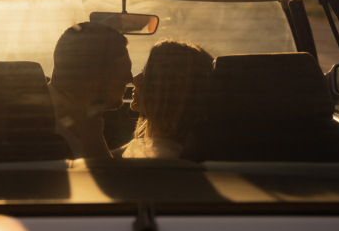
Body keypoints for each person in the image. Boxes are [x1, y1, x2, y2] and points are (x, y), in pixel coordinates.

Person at [48, 22, 133, 159]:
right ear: (92, 87)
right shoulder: (71, 140)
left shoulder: (51, 113)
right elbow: (108, 180)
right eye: (124, 78)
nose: (132, 80)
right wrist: (94, 137)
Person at [122, 40, 214, 159]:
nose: (134, 79)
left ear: (169, 89)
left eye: (146, 74)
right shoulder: (169, 147)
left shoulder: (161, 156)